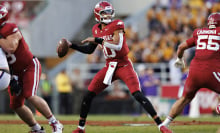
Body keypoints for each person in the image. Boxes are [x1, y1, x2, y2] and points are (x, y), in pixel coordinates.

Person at [61, 1, 172, 133]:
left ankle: (161, 126)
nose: (108, 14)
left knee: (137, 94)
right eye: (104, 12)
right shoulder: (96, 29)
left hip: (123, 64)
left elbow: (117, 45)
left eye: (109, 11)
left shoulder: (118, 24)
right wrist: (71, 45)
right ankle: (81, 128)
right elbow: (89, 50)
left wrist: (97, 40)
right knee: (88, 95)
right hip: (109, 66)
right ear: (98, 14)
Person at [0, 5, 63, 133]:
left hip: (29, 66)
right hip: (14, 72)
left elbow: (11, 47)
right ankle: (37, 129)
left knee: (30, 95)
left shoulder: (9, 27)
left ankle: (55, 123)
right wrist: (11, 78)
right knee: (16, 105)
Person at [161, 12, 220, 131]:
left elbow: (181, 47)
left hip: (194, 71)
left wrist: (179, 59)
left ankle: (164, 124)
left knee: (184, 98)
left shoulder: (198, 32)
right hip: (211, 70)